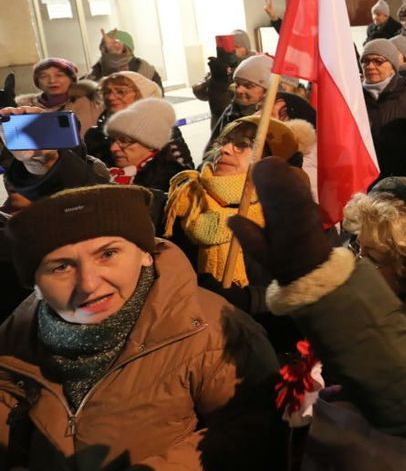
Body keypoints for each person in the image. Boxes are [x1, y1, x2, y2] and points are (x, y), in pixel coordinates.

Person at [0, 185, 281, 468]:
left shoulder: (213, 331)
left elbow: (252, 434)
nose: (89, 284)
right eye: (61, 267)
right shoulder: (17, 336)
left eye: (108, 254)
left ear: (146, 253)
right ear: (35, 283)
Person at [227, 158, 406, 451]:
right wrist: (245, 302)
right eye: (357, 248)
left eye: (375, 259)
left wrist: (325, 282)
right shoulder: (394, 301)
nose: (359, 265)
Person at [166, 115, 309, 286]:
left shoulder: (293, 218)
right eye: (224, 141)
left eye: (242, 145)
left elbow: (303, 289)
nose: (224, 149)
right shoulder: (185, 197)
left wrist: (249, 300)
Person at [359, 38, 406, 178]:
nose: (370, 66)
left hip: (397, 176)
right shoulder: (354, 97)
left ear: (392, 65)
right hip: (361, 174)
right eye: (365, 61)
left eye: (378, 61)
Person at [103, 97, 194, 193]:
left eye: (124, 141)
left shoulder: (172, 183)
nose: (113, 148)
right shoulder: (107, 172)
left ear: (151, 145)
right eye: (112, 140)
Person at [204, 53, 274, 152]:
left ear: (266, 91)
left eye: (248, 86)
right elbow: (212, 149)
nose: (239, 90)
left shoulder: (276, 116)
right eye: (237, 84)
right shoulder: (231, 112)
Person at [192, 29, 252, 129]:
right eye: (231, 48)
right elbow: (200, 93)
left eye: (237, 47)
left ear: (246, 48)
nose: (234, 51)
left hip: (244, 124)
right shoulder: (221, 67)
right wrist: (216, 76)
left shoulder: (253, 66)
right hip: (220, 125)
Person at [84, 28, 162, 89]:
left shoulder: (146, 71)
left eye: (121, 49)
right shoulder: (93, 74)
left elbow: (157, 103)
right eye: (106, 50)